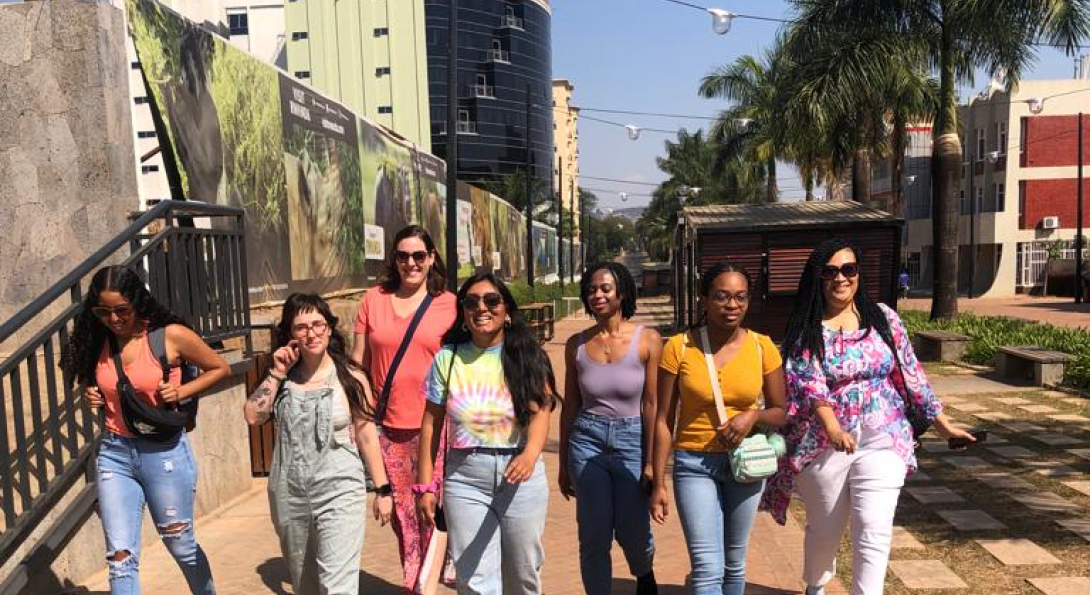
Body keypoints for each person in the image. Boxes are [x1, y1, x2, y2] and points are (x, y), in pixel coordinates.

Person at [761, 239, 975, 595]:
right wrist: (832, 428)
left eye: (849, 269)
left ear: (858, 273)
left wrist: (944, 425)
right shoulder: (806, 328)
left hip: (884, 436)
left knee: (872, 530)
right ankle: (816, 584)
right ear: (818, 278)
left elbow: (910, 373)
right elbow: (811, 386)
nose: (840, 278)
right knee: (824, 531)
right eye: (830, 272)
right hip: (823, 444)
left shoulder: (882, 318)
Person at [63, 265, 230, 595]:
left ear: (137, 301)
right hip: (115, 455)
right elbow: (99, 383)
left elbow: (220, 368)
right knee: (120, 558)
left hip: (164, 453)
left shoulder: (169, 336)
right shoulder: (99, 341)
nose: (113, 319)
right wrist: (91, 394)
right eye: (103, 311)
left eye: (121, 310)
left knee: (180, 545)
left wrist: (182, 392)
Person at [415, 273, 559, 595]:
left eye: (491, 300)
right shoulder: (447, 359)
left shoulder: (528, 355)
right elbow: (430, 426)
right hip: (465, 478)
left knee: (523, 576)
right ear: (463, 313)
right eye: (471, 302)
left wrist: (530, 454)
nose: (482, 307)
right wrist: (426, 485)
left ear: (506, 310)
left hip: (520, 476)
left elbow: (541, 413)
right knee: (475, 580)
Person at [650, 263, 787, 595]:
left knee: (734, 563)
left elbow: (780, 412)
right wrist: (658, 482)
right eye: (722, 296)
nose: (732, 305)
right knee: (707, 567)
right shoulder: (679, 348)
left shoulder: (762, 347)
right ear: (704, 299)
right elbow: (662, 419)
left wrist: (752, 416)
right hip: (694, 465)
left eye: (740, 297)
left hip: (745, 464)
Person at [245, 293, 393, 595]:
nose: (311, 333)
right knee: (306, 585)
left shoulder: (351, 377)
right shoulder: (281, 379)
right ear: (290, 334)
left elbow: (366, 434)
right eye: (301, 327)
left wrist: (383, 489)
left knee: (337, 586)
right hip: (290, 493)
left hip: (340, 489)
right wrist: (276, 373)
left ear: (329, 328)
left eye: (318, 324)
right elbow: (252, 416)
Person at [350, 225, 457, 593]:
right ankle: (417, 584)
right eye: (402, 256)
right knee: (404, 519)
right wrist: (358, 416)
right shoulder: (372, 300)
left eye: (418, 256)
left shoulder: (449, 304)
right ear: (393, 260)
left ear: (431, 259)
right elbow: (356, 366)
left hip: (437, 428)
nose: (411, 263)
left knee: (433, 512)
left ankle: (424, 585)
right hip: (388, 429)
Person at [558, 263, 660, 595]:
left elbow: (652, 405)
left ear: (622, 292)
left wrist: (651, 462)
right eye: (591, 289)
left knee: (633, 533)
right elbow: (570, 405)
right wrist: (562, 463)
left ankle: (644, 573)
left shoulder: (648, 340)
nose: (597, 294)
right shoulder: (575, 345)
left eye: (605, 288)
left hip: (633, 440)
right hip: (587, 441)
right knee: (593, 534)